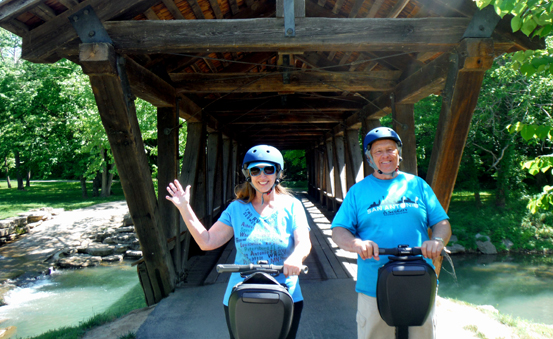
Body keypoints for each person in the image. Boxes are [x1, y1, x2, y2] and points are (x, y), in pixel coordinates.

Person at [166, 144, 311, 339]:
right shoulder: (236, 209)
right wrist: (184, 207)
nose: (262, 176)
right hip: (242, 295)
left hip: (286, 293)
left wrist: (296, 258)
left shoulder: (292, 206)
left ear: (278, 173)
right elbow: (207, 241)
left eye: (269, 169)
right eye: (255, 170)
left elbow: (304, 242)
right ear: (248, 174)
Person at [331, 127, 451, 339]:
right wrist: (356, 244)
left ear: (399, 153)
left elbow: (441, 223)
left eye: (390, 149)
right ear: (369, 157)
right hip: (374, 285)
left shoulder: (418, 185)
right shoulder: (358, 192)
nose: (385, 155)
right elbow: (339, 231)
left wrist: (437, 240)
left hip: (419, 281)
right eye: (378, 151)